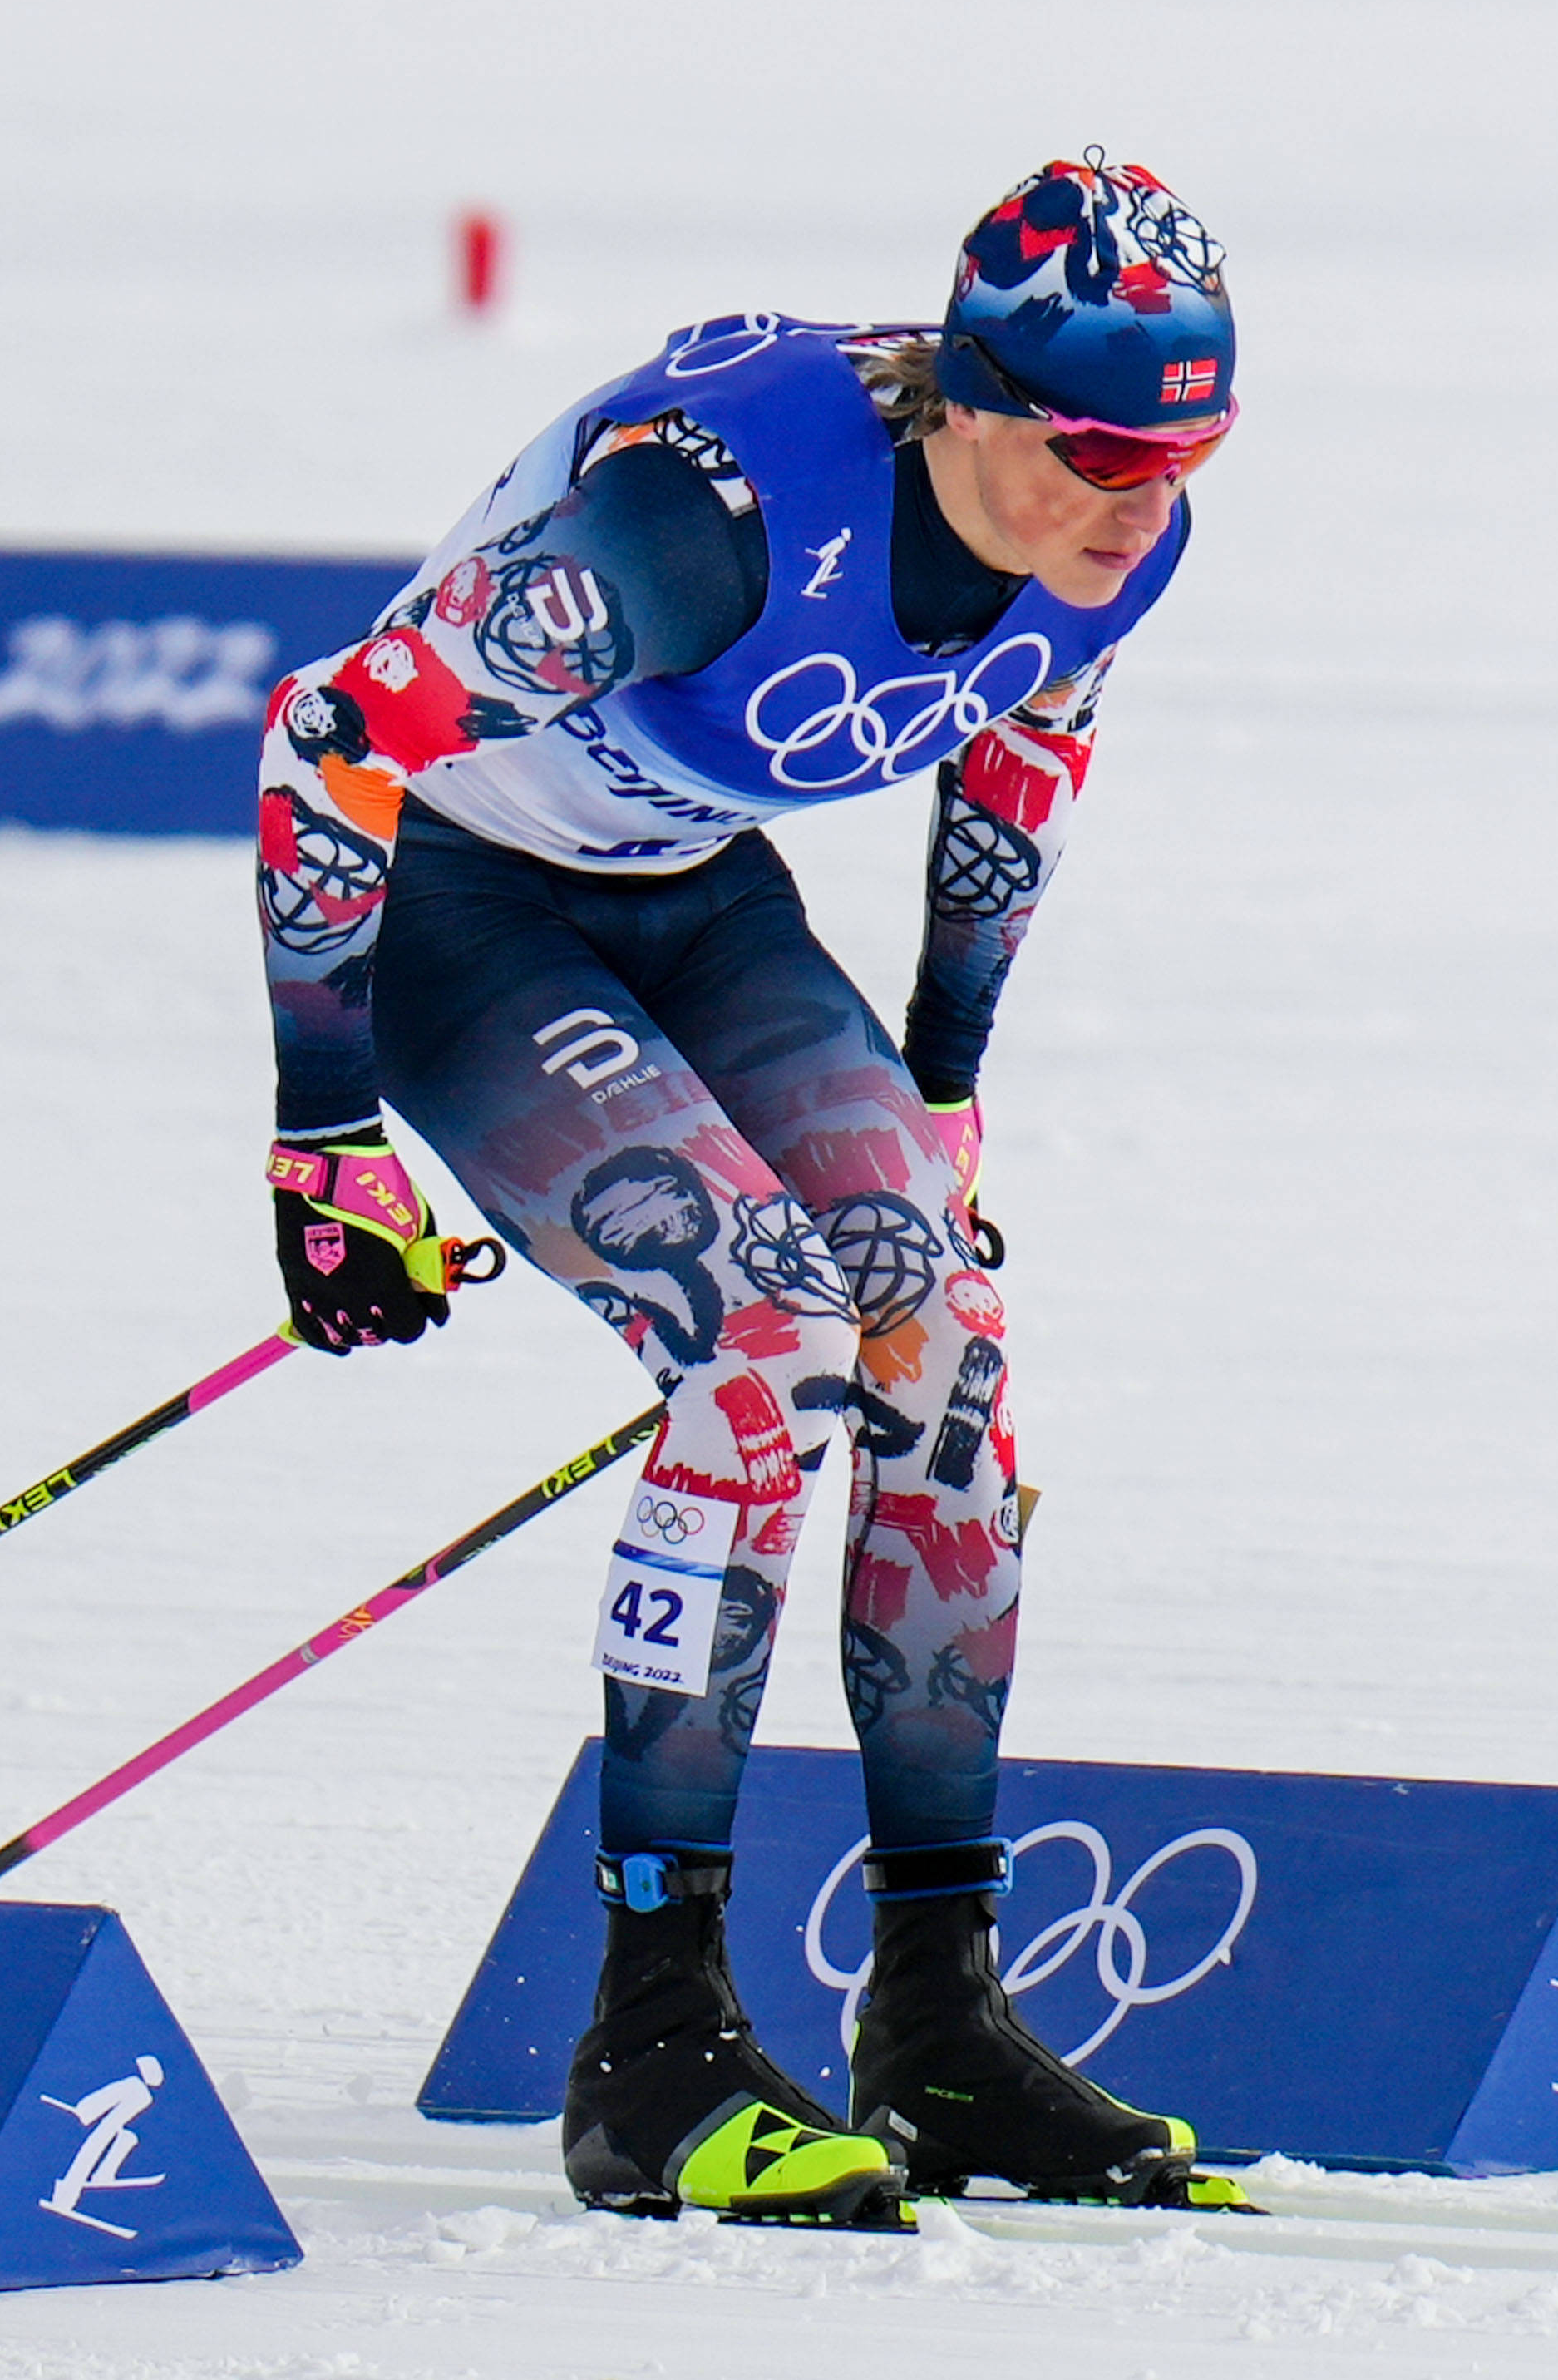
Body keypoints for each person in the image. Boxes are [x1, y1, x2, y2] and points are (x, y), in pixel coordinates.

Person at [253, 157, 1244, 2227]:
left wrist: (944, 1092)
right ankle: (653, 2041)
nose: (1136, 501)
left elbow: (1015, 757)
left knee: (940, 1347)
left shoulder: (1109, 545)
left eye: (1185, 450)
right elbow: (330, 736)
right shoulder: (686, 537)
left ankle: (941, 2018)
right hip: (455, 899)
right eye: (1093, 449)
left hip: (692, 891)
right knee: (764, 1344)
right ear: (962, 399)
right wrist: (325, 1135)